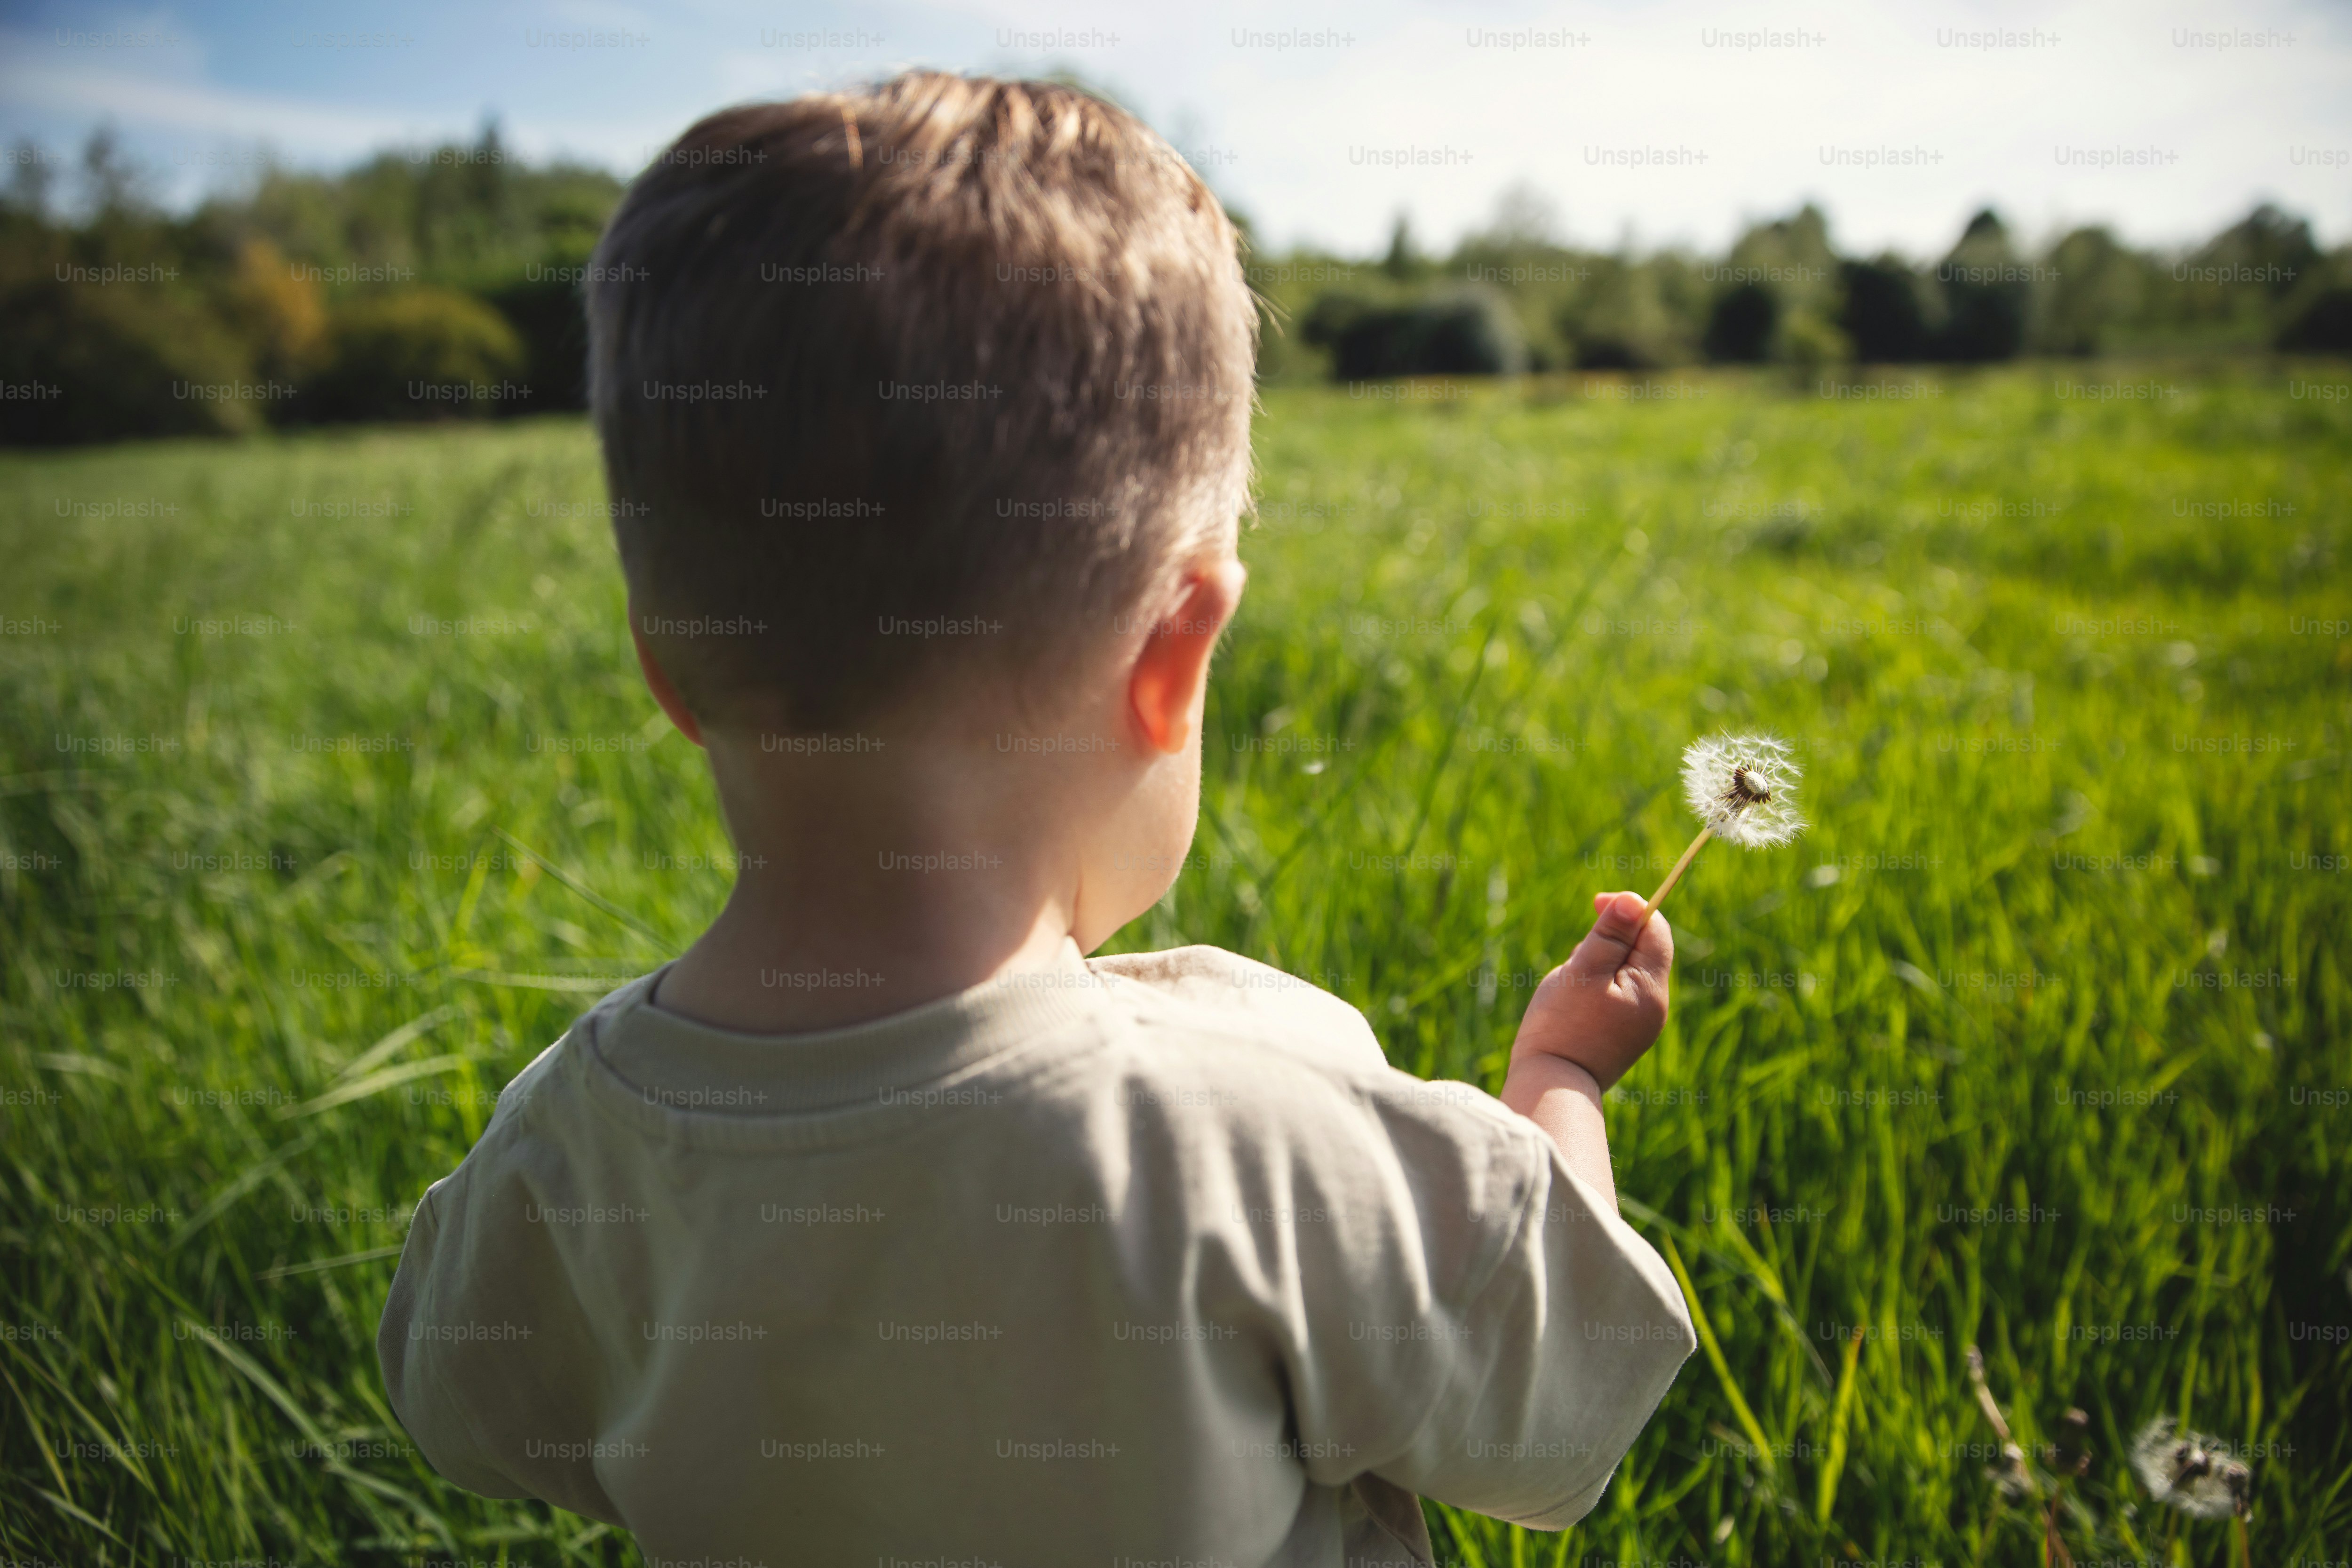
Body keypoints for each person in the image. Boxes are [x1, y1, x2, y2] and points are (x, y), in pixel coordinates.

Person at [379, 70, 1692, 1566]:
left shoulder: (569, 1149)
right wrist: (1562, 1078)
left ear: (669, 675)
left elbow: (455, 1401)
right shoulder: (1255, 1126)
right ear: (1172, 657)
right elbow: (1561, 1402)